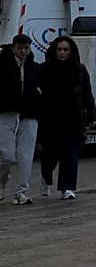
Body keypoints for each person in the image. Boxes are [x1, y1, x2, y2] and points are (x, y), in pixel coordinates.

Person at [38, 35, 95, 201]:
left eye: (65, 50)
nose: (62, 53)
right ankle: (46, 177)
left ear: (71, 52)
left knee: (70, 154)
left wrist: (91, 114)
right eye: (59, 49)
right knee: (50, 153)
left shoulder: (79, 70)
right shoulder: (45, 70)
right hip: (51, 120)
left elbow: (87, 93)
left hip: (73, 119)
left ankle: (68, 187)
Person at [0, 34, 41, 205]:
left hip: (29, 115)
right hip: (6, 113)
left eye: (26, 48)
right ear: (13, 48)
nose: (23, 51)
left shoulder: (34, 67)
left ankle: (21, 192)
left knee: (26, 156)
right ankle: (2, 182)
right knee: (7, 155)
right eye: (19, 47)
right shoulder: (3, 65)